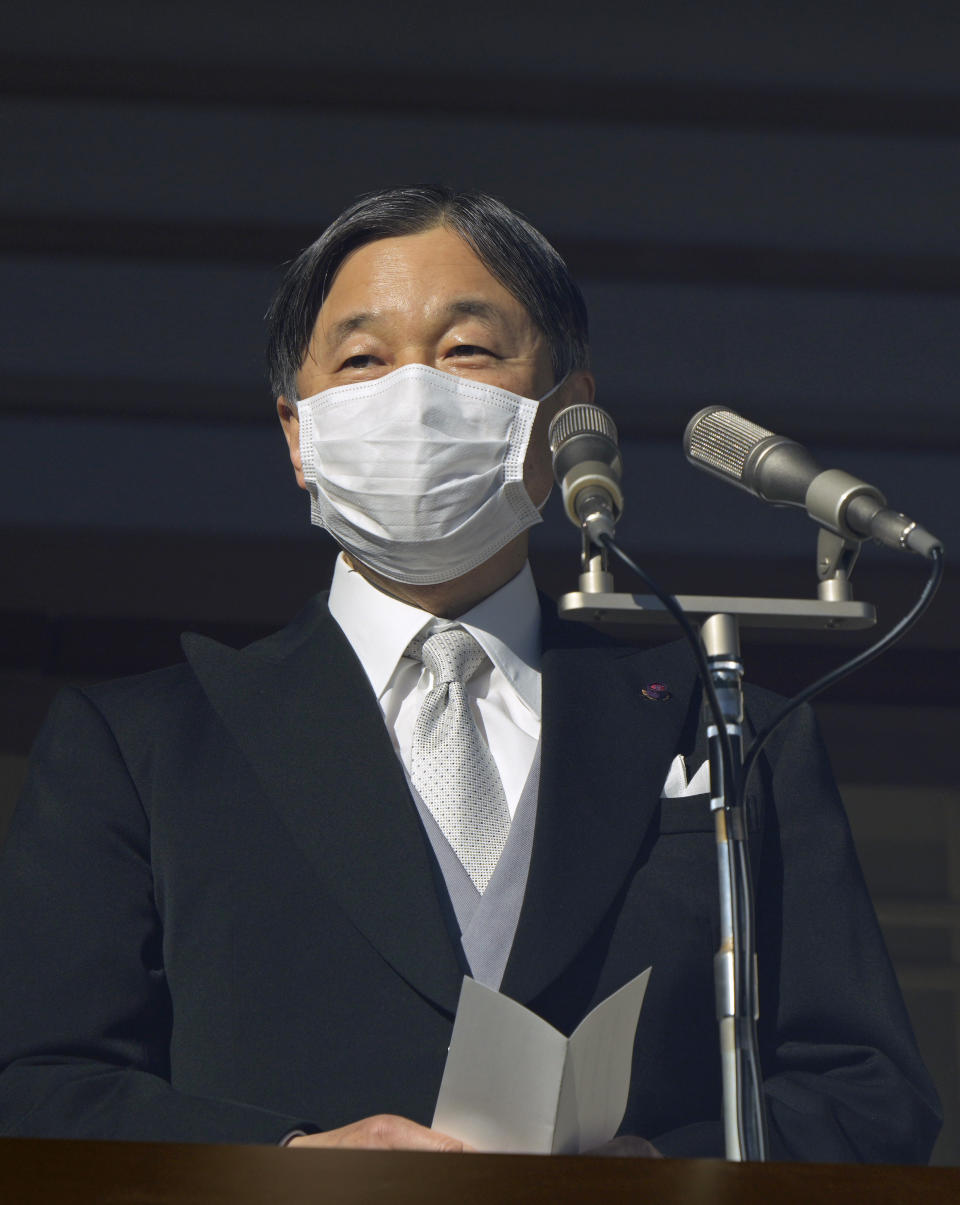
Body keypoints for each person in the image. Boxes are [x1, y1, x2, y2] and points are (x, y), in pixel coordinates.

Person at [0, 187, 941, 1161]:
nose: (413, 391)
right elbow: (35, 1085)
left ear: (570, 415)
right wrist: (283, 1161)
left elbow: (869, 1093)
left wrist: (663, 1171)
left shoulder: (730, 727)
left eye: (468, 350)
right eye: (362, 359)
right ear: (297, 434)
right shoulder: (143, 746)